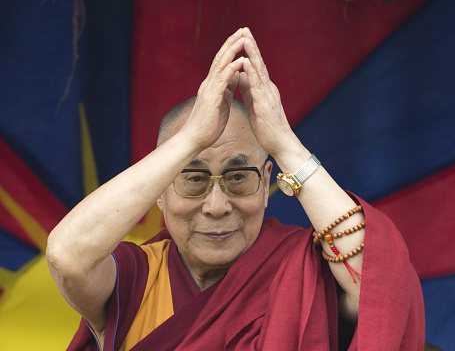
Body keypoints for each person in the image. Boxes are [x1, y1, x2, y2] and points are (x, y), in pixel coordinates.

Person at [47, 27, 424, 350]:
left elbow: (382, 290)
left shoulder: (302, 269)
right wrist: (190, 140)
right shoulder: (137, 278)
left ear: (265, 186)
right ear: (158, 192)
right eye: (193, 179)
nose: (216, 205)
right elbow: (67, 255)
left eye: (238, 177)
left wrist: (285, 145)